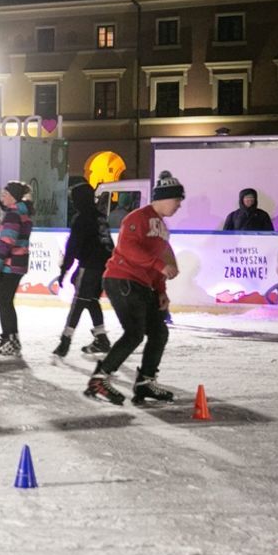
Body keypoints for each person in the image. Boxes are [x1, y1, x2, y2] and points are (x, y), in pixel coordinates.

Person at [88, 171, 185, 405]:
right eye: (176, 200)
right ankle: (99, 379)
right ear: (162, 198)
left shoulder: (162, 228)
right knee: (134, 333)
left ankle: (145, 381)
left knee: (159, 332)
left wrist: (161, 291)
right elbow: (129, 249)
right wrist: (159, 265)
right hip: (122, 279)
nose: (179, 206)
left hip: (143, 284)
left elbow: (156, 261)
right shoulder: (137, 218)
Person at [53, 182, 114, 358]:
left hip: (90, 267)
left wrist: (64, 271)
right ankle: (101, 339)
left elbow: (72, 247)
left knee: (79, 302)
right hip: (105, 266)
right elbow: (109, 244)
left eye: (74, 199)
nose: (73, 203)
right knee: (91, 300)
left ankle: (65, 342)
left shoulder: (81, 219)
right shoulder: (100, 217)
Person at [0, 182, 33, 356]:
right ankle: (9, 337)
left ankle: (12, 341)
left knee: (4, 303)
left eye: (5, 193)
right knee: (5, 302)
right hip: (17, 263)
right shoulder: (21, 213)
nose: (2, 196)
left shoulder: (14, 214)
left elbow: (7, 241)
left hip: (10, 264)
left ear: (13, 196)